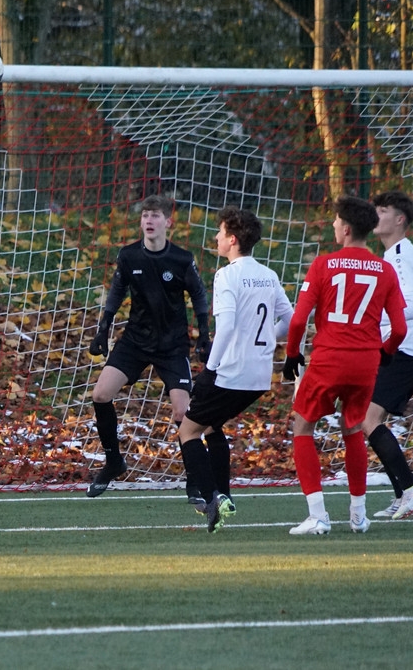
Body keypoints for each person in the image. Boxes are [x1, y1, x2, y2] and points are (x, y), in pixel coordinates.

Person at [282, 195, 408, 536]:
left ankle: (318, 516)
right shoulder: (385, 269)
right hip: (365, 362)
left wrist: (292, 354)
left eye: (337, 221)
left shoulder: (323, 264)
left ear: (347, 228)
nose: (334, 226)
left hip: (329, 359)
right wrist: (385, 352)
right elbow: (399, 329)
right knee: (352, 429)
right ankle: (358, 516)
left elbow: (298, 320)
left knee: (303, 426)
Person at [86, 194, 211, 498]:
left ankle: (194, 480)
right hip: (135, 340)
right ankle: (114, 462)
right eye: (145, 216)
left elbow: (198, 295)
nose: (149, 221)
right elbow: (117, 291)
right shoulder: (129, 256)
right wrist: (103, 329)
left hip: (172, 345)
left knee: (182, 412)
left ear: (168, 222)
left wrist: (204, 335)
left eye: (155, 216)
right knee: (100, 394)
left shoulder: (182, 259)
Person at [177, 206, 294, 532]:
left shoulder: (226, 275)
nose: (215, 237)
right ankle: (224, 496)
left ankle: (211, 498)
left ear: (231, 239)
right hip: (259, 376)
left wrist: (210, 370)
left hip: (230, 373)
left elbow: (226, 327)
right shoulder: (268, 275)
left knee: (188, 432)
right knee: (212, 426)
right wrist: (266, 339)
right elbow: (292, 319)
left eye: (220, 231)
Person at [361, 191, 413, 520]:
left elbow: (411, 307)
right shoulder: (396, 254)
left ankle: (411, 488)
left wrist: (373, 320)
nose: (376, 215)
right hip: (404, 349)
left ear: (400, 219)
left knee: (367, 419)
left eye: (383, 210)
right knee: (367, 419)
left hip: (409, 351)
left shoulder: (401, 256)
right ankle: (404, 494)